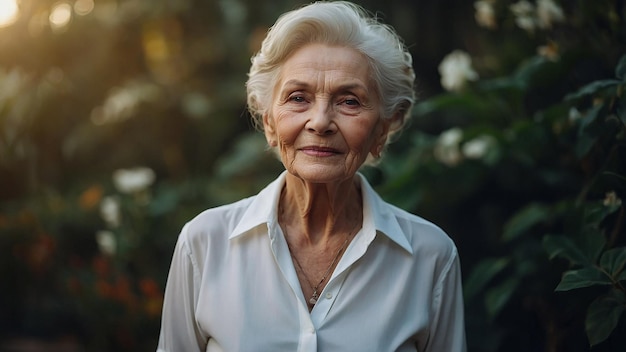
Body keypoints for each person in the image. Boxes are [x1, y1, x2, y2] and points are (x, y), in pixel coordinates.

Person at [157, 1, 466, 351]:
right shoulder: (204, 244)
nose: (320, 121)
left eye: (349, 101)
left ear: (382, 129)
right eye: (298, 97)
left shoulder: (430, 257)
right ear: (270, 123)